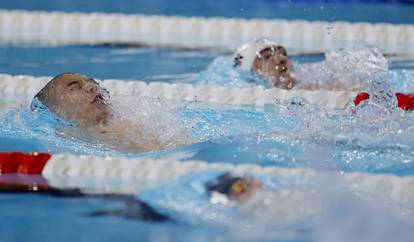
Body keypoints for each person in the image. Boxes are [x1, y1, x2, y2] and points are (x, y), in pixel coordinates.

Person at [31, 72, 165, 153]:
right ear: (56, 111)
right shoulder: (56, 144)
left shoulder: (134, 123)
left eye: (93, 83)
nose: (92, 87)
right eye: (75, 87)